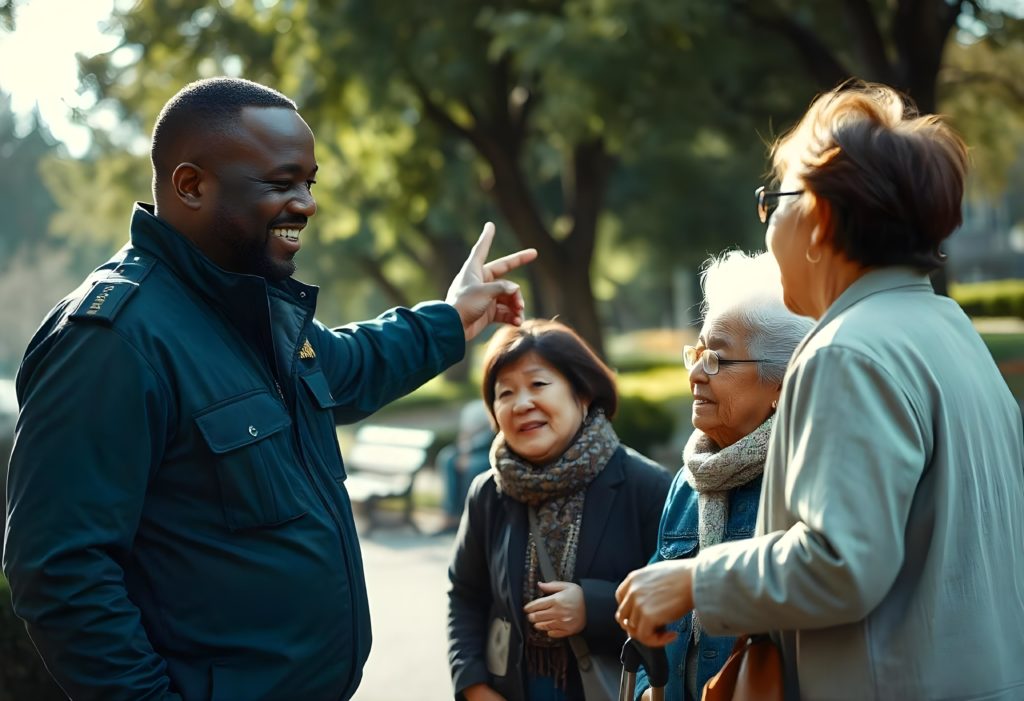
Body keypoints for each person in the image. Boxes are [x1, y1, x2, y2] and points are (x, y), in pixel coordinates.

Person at [2, 77, 537, 701]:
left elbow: (353, 365)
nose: (306, 204)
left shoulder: (256, 305)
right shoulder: (110, 342)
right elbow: (62, 574)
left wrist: (452, 317)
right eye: (281, 183)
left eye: (309, 183)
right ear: (191, 185)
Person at [615, 81, 1024, 700]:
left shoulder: (846, 352)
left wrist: (693, 581)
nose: (767, 223)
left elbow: (842, 563)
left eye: (771, 200)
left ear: (818, 216)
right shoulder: (949, 330)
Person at [447, 319, 672, 701]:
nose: (521, 404)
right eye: (505, 393)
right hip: (512, 687)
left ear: (582, 394)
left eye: (538, 385)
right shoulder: (488, 492)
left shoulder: (648, 486)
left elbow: (681, 607)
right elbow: (465, 595)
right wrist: (473, 685)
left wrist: (596, 607)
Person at [632, 251, 812, 701]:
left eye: (716, 359)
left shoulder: (801, 475)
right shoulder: (688, 480)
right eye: (696, 353)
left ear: (781, 382)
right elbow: (652, 609)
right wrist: (643, 690)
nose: (694, 373)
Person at [435, 399, 497, 534]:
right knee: (447, 458)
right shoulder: (472, 408)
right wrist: (464, 453)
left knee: (473, 467)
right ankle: (450, 515)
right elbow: (464, 434)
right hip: (469, 450)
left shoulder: (496, 405)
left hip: (488, 451)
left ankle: (467, 517)